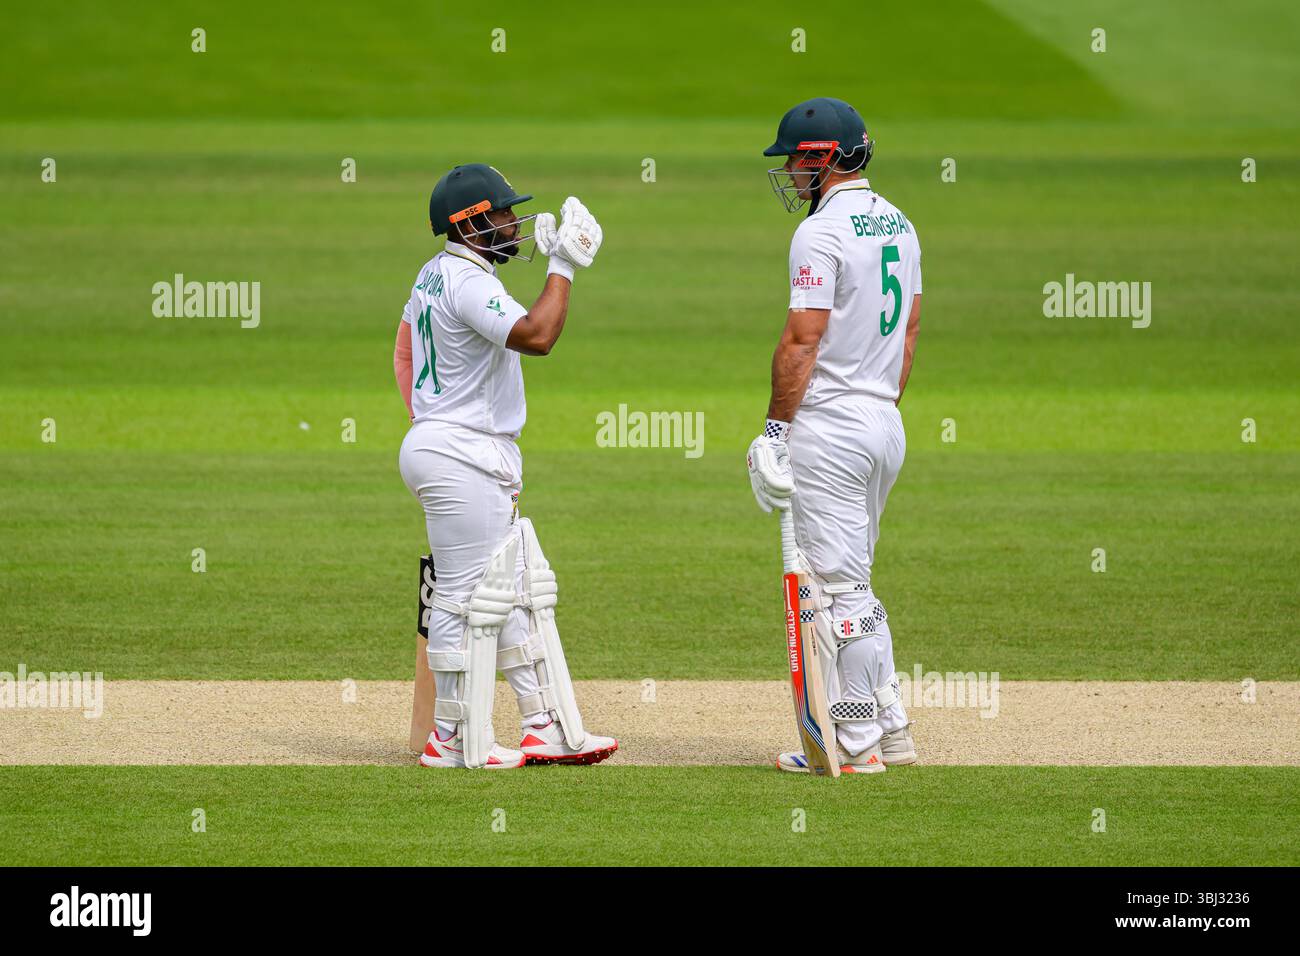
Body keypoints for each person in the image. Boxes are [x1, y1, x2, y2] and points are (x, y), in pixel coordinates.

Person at [394, 163, 617, 769]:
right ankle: (450, 737)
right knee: (466, 595)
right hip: (462, 452)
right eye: (503, 214)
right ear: (470, 223)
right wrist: (563, 266)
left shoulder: (435, 274)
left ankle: (542, 723)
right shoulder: (469, 281)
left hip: (452, 446)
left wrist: (429, 420)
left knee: (514, 587)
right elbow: (538, 335)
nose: (514, 222)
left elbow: (404, 351)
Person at [747, 99, 923, 774]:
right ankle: (891, 725)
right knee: (858, 584)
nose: (789, 172)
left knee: (842, 591)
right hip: (884, 419)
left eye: (795, 159)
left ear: (823, 158)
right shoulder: (901, 224)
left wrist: (774, 429)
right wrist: (878, 409)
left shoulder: (820, 234)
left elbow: (802, 339)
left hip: (832, 425)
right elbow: (907, 337)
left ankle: (855, 745)